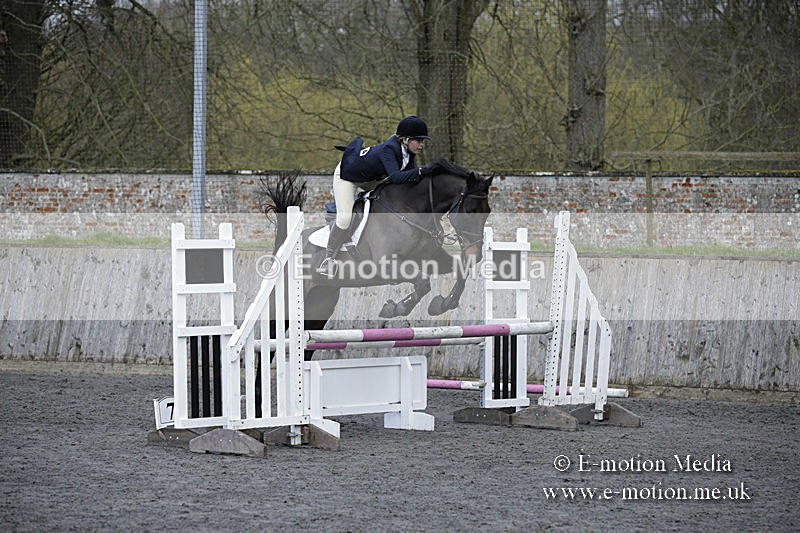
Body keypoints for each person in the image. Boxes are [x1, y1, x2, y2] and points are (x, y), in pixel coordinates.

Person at [317, 115, 433, 276]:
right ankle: (328, 259)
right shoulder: (389, 149)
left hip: (370, 179)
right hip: (347, 177)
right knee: (345, 218)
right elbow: (395, 177)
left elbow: (406, 183)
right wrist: (421, 171)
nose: (421, 145)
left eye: (423, 141)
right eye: (418, 141)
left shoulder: (408, 154)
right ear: (405, 140)